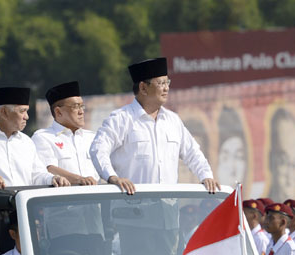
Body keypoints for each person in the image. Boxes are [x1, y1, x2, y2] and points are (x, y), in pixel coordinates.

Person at [89, 58, 219, 194]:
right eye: (161, 83)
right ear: (143, 88)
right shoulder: (122, 119)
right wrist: (112, 178)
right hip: (129, 205)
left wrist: (206, 176)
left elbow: (193, 153)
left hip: (167, 206)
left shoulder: (173, 120)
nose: (166, 88)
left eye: (167, 82)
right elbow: (98, 149)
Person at [0, 87, 69, 190]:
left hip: (23, 209)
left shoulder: (26, 142)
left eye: (27, 111)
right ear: (4, 112)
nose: (27, 117)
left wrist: (53, 178)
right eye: (22, 111)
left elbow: (37, 174)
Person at [32, 81, 99, 186]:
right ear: (58, 112)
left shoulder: (92, 137)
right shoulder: (43, 137)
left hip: (96, 199)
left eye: (82, 106)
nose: (81, 111)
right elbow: (48, 168)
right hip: (64, 200)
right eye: (76, 107)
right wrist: (79, 180)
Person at [268, 108, 295, 201]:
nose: (289, 176)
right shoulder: (262, 211)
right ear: (270, 161)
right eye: (283, 162)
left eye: (294, 165)